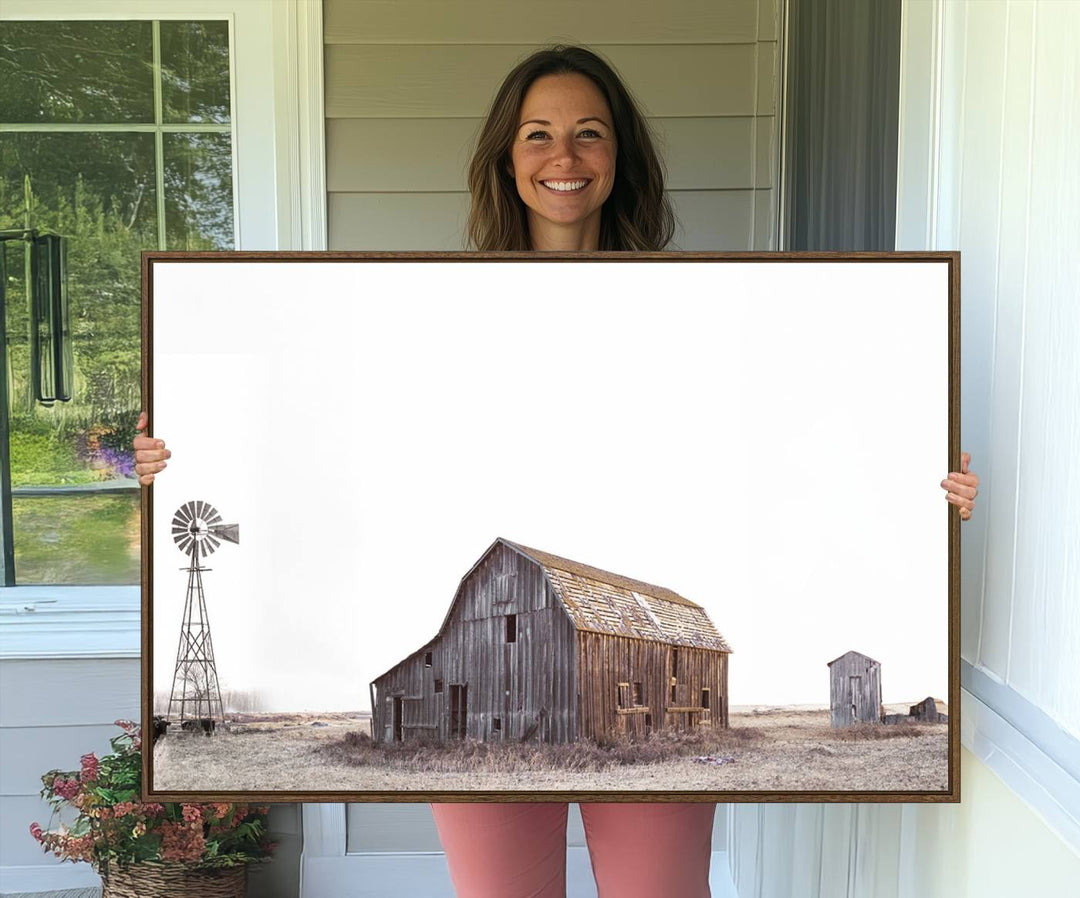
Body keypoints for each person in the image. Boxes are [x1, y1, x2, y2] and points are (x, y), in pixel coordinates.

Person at [134, 45, 979, 898]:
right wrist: (185, 455)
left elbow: (786, 450)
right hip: (490, 662)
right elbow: (338, 446)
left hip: (637, 637)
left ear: (620, 158)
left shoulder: (705, 311)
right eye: (538, 135)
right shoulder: (423, 315)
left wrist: (915, 484)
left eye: (589, 134)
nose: (564, 157)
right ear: (507, 157)